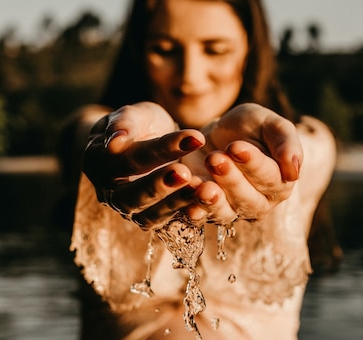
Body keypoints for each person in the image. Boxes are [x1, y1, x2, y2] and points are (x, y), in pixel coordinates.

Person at [64, 0, 337, 339]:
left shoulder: (310, 142)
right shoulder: (97, 134)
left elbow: (308, 150)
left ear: (250, 49)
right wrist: (114, 140)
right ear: (139, 50)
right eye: (164, 50)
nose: (189, 78)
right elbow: (84, 134)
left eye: (215, 50)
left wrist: (275, 156)